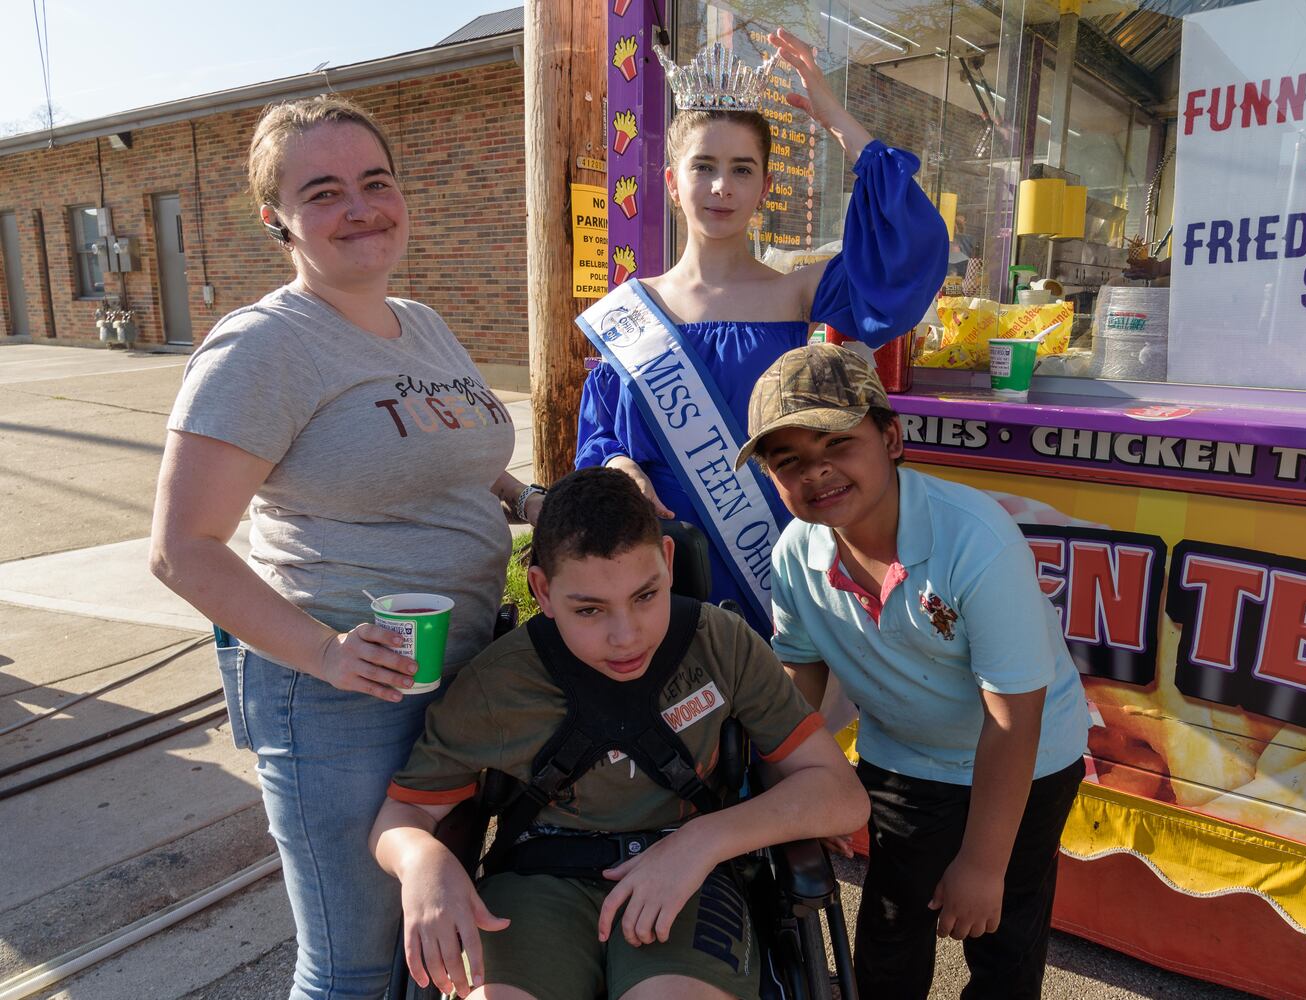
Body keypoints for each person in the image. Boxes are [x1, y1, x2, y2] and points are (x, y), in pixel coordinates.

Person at [149, 95, 541, 1000]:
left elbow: (444, 457)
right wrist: (324, 653)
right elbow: (182, 549)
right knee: (355, 966)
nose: (361, 206)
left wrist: (529, 500)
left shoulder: (423, 322)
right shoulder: (263, 349)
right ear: (275, 221)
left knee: (430, 951)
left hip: (464, 670)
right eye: (323, 192)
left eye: (376, 181)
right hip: (340, 694)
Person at [371, 467, 869, 999]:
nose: (626, 635)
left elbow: (839, 795)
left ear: (669, 565)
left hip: (690, 875)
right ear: (541, 590)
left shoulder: (721, 645)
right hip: (540, 879)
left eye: (645, 595)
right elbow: (404, 813)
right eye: (589, 609)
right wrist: (423, 861)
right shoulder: (498, 683)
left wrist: (705, 840)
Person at [737, 344, 1091, 1000]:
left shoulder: (975, 539)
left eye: (838, 445)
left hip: (1028, 758)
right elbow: (798, 682)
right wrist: (800, 795)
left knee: (1002, 928)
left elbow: (1015, 718)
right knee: (891, 932)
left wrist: (983, 864)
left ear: (890, 437)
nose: (817, 474)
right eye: (789, 462)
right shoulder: (795, 554)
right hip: (903, 761)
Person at [575, 28, 948, 636]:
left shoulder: (798, 291)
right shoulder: (630, 311)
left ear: (764, 188)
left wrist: (829, 114)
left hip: (778, 552)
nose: (722, 186)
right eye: (704, 167)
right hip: (666, 567)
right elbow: (599, 439)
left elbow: (912, 250)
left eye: (742, 169)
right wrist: (618, 466)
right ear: (673, 183)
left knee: (778, 716)